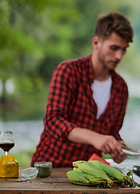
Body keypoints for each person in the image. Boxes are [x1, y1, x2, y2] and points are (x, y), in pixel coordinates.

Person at [31, 12, 134, 167]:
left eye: (124, 49)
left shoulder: (120, 87)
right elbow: (52, 121)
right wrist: (94, 137)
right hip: (51, 167)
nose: (119, 56)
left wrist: (117, 147)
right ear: (96, 43)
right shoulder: (68, 71)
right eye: (114, 48)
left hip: (89, 172)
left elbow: (112, 132)